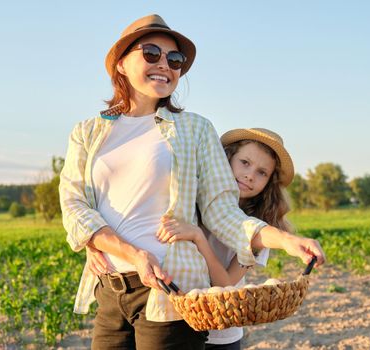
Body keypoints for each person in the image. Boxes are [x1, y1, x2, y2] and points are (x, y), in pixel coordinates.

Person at [59, 14, 325, 350]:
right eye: (151, 53)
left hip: (172, 291)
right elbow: (74, 205)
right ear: (121, 64)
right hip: (111, 288)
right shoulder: (88, 132)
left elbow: (222, 211)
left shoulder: (195, 129)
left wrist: (284, 240)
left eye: (175, 59)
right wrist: (124, 252)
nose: (165, 65)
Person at [157, 128, 296, 349]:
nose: (250, 175)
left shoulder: (259, 231)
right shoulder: (192, 202)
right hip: (177, 321)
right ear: (226, 159)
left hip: (222, 334)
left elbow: (226, 284)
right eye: (245, 163)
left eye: (262, 172)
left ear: (269, 183)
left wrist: (199, 238)